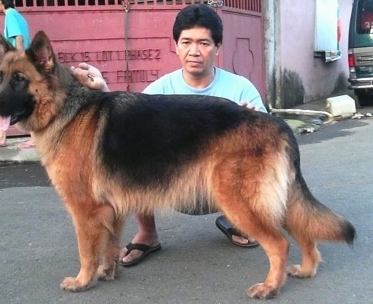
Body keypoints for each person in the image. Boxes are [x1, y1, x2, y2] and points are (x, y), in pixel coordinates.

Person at [72, 3, 267, 267]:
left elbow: (270, 143)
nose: (194, 51)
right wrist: (103, 89)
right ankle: (148, 234)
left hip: (224, 185)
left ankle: (241, 221)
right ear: (175, 45)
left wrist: (254, 124)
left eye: (204, 43)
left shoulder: (241, 88)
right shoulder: (162, 88)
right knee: (134, 149)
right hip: (174, 185)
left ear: (217, 47)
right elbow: (125, 122)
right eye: (186, 42)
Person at [0, 0, 35, 149]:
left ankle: (5, 136)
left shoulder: (11, 15)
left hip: (15, 69)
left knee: (7, 100)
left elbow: (19, 38)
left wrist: (17, 63)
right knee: (22, 102)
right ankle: (2, 135)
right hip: (18, 69)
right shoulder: (19, 16)